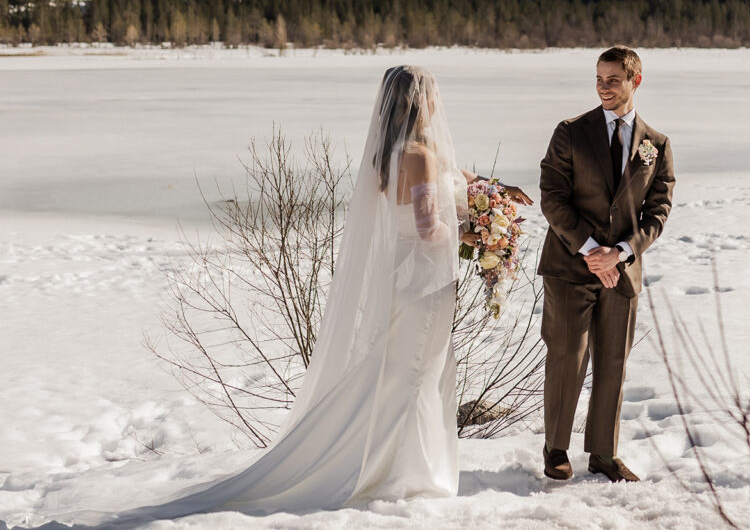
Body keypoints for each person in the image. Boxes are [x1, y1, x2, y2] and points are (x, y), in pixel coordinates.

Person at [56, 65, 530, 526]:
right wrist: (478, 233)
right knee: (413, 375)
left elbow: (461, 179)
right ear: (419, 101)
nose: (438, 102)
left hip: (404, 282)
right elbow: (430, 229)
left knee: (399, 373)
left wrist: (492, 199)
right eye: (432, 93)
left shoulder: (392, 153)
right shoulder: (421, 154)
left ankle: (393, 462)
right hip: (423, 284)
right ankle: (397, 472)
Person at [537, 46, 674, 483]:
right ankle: (555, 449)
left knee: (613, 362)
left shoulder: (657, 145)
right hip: (570, 266)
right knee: (567, 357)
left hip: (622, 273)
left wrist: (620, 253)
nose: (603, 88)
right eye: (599, 79)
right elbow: (552, 198)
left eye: (613, 79)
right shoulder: (571, 132)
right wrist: (592, 250)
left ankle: (603, 454)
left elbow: (657, 213)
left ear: (636, 80)